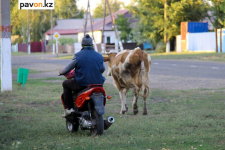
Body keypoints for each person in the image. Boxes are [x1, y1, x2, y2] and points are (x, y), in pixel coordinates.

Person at [59, 34, 105, 117]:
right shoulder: (99, 56)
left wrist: (61, 72)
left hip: (82, 84)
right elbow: (102, 69)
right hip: (98, 84)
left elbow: (67, 69)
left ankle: (69, 109)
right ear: (92, 44)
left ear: (82, 45)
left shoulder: (78, 55)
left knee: (66, 83)